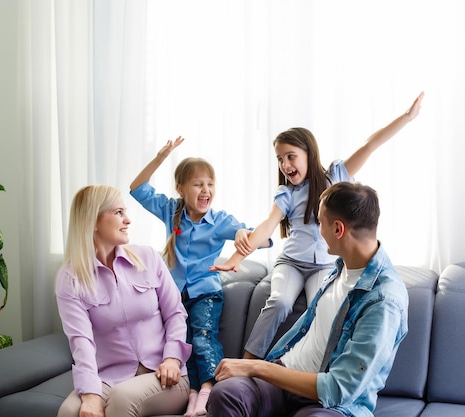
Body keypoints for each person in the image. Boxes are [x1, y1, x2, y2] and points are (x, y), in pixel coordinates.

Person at [212, 91, 424, 360]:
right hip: (291, 262)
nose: (285, 164)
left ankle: (309, 367)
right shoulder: (286, 193)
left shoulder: (335, 175)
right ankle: (248, 361)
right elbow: (268, 225)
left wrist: (406, 118)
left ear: (308, 153)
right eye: (279, 159)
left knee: (321, 308)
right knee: (279, 302)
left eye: (290, 156)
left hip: (323, 266)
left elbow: (369, 146)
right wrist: (236, 257)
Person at [207, 181, 409, 417]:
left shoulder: (384, 301)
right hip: (284, 379)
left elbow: (338, 388)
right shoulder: (342, 266)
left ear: (338, 229)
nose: (317, 230)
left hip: (331, 404)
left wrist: (255, 367)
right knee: (227, 394)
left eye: (320, 223)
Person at [130, 139, 272, 417]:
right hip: (172, 297)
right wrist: (161, 158)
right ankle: (194, 395)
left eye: (210, 184)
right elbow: (137, 189)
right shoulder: (172, 211)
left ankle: (208, 394)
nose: (206, 190)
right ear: (181, 189)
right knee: (182, 345)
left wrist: (244, 235)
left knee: (203, 340)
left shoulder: (220, 222)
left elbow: (263, 238)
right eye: (198, 184)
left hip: (205, 294)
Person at [55, 185, 192, 417]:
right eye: (118, 212)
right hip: (110, 376)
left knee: (122, 399)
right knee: (70, 411)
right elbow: (81, 342)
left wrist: (171, 358)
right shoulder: (70, 279)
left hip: (163, 373)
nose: (127, 220)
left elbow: (176, 313)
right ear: (94, 220)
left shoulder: (148, 257)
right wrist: (90, 395)